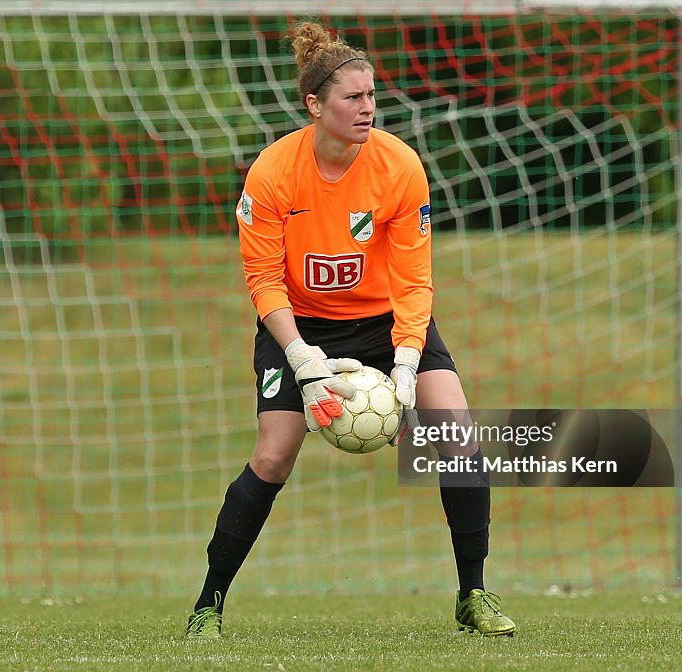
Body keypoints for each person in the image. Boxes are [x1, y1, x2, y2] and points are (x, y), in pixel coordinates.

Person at [186, 21, 516, 639]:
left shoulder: (399, 166)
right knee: (274, 454)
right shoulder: (272, 173)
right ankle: (209, 603)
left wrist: (409, 360)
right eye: (352, 98)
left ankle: (473, 594)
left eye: (372, 97)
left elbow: (415, 277)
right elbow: (263, 280)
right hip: (300, 326)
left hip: (385, 322)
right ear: (315, 105)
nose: (367, 109)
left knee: (458, 433)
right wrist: (302, 361)